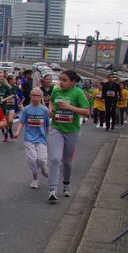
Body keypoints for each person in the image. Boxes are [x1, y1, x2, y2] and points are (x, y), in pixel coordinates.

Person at [47, 70, 91, 203]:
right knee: (55, 158)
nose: (61, 82)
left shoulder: (78, 93)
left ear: (73, 82)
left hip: (72, 131)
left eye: (65, 80)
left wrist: (69, 107)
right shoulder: (56, 91)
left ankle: (66, 183)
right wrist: (51, 110)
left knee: (67, 161)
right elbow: (51, 101)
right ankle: (53, 189)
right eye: (60, 79)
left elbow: (87, 112)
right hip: (57, 128)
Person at [16, 87, 51, 190]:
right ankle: (35, 179)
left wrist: (50, 135)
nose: (35, 97)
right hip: (29, 138)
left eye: (37, 96)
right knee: (32, 159)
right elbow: (22, 122)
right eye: (33, 95)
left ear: (41, 97)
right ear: (30, 96)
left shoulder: (44, 110)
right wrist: (17, 132)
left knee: (41, 160)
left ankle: (43, 168)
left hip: (41, 138)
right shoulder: (27, 109)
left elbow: (47, 124)